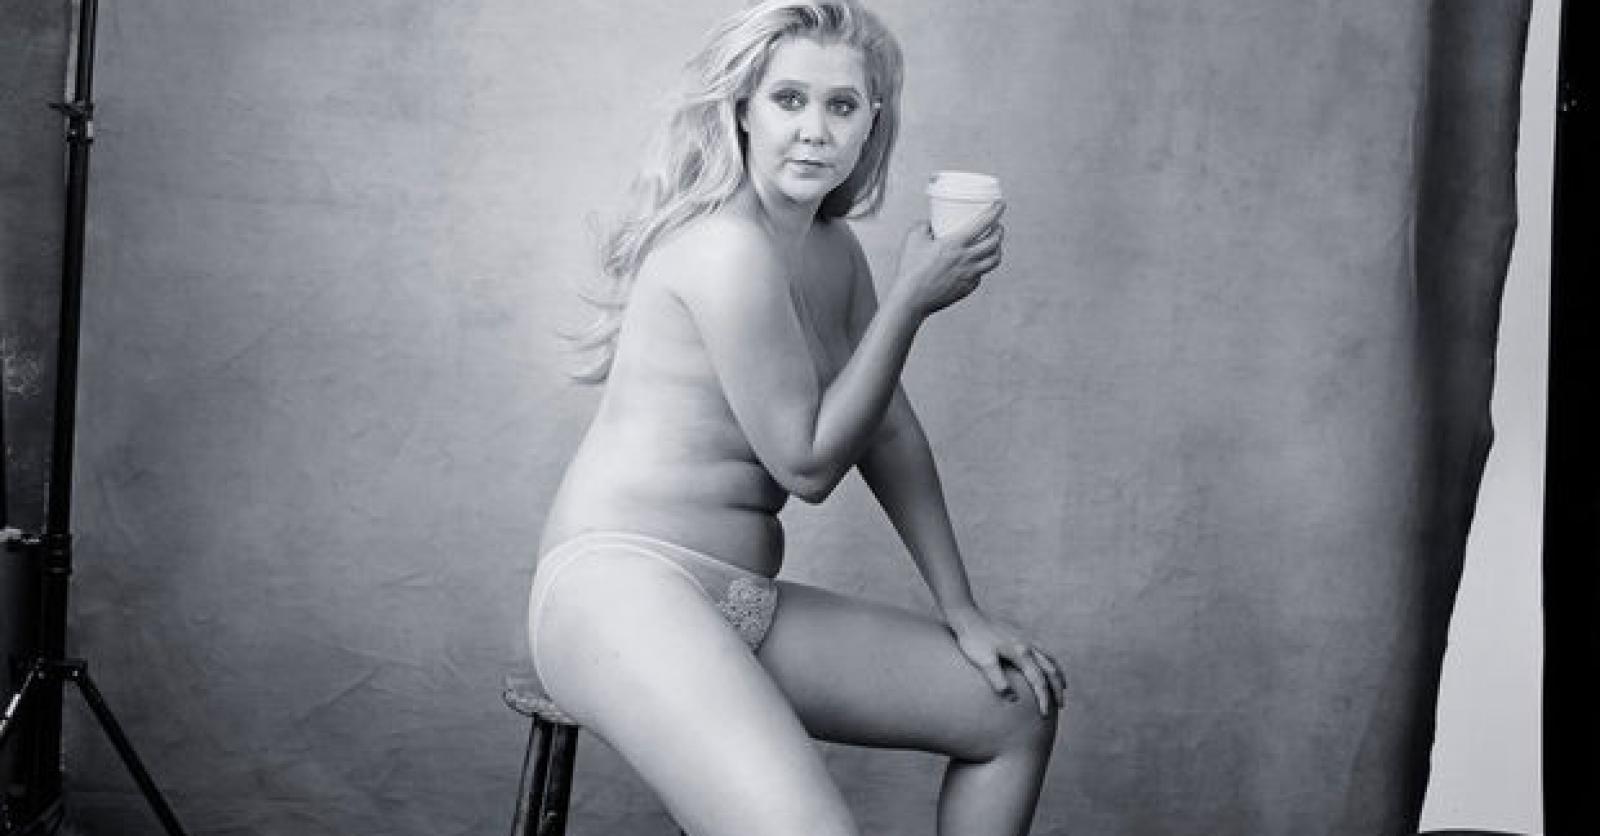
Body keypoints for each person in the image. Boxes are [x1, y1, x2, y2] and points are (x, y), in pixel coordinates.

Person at [527, 2, 1065, 834]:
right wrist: (911, 301)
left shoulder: (831, 250)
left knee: (1014, 712)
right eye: (788, 100)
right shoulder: (725, 248)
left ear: (872, 121)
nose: (814, 130)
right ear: (743, 108)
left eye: (841, 105)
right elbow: (806, 465)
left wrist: (960, 609)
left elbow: (888, 431)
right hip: (618, 588)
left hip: (739, 599)